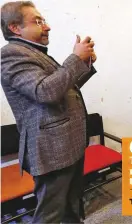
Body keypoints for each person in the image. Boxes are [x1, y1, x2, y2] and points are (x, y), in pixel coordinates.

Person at [1, 1, 97, 223]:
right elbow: (46, 92)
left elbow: (63, 89)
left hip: (67, 144)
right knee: (50, 214)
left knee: (72, 205)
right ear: (16, 28)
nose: (47, 26)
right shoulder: (11, 54)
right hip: (51, 149)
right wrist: (75, 59)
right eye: (38, 21)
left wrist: (85, 63)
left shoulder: (34, 52)